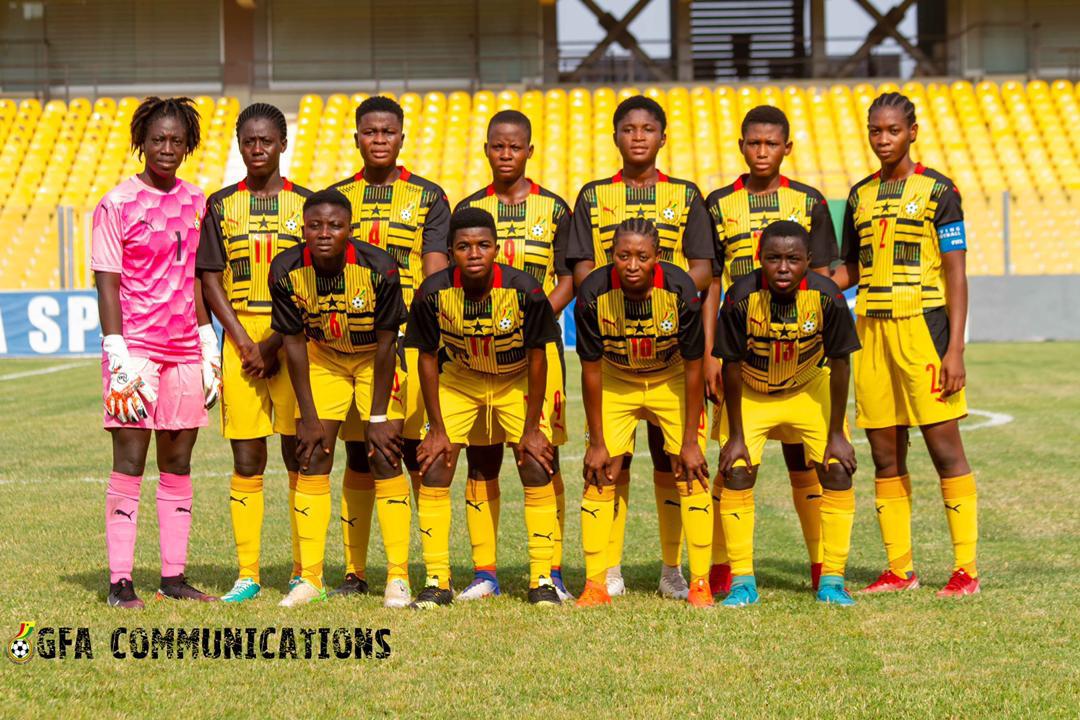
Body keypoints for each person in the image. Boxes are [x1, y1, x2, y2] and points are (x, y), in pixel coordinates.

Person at [566, 95, 715, 600]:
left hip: (668, 351)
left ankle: (674, 570)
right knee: (610, 462)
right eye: (628, 129)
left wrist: (663, 293)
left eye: (647, 129)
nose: (637, 137)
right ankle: (606, 572)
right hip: (615, 354)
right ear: (615, 137)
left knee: (678, 460)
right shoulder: (592, 196)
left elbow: (702, 268)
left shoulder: (686, 195)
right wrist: (614, 296)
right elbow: (582, 268)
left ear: (662, 137)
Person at [833, 92, 979, 597]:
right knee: (884, 453)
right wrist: (809, 282)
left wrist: (955, 349)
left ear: (912, 132)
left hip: (924, 329)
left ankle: (966, 570)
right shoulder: (859, 195)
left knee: (944, 450)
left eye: (892, 130)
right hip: (871, 331)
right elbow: (852, 268)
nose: (883, 139)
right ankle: (900, 570)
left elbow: (956, 273)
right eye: (875, 130)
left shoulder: (940, 190)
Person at [705, 105, 840, 596]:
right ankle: (723, 565)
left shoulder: (810, 201)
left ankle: (823, 566)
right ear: (742, 145)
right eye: (754, 142)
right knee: (734, 459)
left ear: (787, 147)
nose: (762, 151)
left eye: (771, 143)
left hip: (800, 354)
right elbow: (711, 283)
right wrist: (710, 353)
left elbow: (825, 277)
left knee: (805, 464)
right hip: (741, 353)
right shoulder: (718, 203)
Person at [93, 96, 219, 608]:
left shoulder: (198, 202)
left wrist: (208, 342)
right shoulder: (117, 203)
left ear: (188, 146)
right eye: (158, 139)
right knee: (129, 460)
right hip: (136, 351)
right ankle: (120, 582)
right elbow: (107, 283)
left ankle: (173, 578)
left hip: (185, 350)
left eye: (176, 140)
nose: (167, 148)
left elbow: (198, 279)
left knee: (178, 461)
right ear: (141, 143)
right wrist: (116, 351)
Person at [405, 207, 561, 608]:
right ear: (451, 252)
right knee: (435, 464)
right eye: (464, 247)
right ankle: (437, 580)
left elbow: (538, 356)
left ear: (497, 249)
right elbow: (426, 357)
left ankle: (542, 579)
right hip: (462, 377)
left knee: (535, 461)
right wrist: (437, 428)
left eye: (483, 245)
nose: (474, 253)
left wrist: (531, 429)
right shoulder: (432, 292)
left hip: (516, 378)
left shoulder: (525, 290)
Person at [328, 95, 451, 597]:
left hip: (406, 343)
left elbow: (435, 274)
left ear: (402, 137)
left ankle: (432, 572)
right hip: (349, 346)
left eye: (388, 132)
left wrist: (421, 332)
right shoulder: (336, 197)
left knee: (417, 453)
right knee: (359, 454)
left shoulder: (429, 196)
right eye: (370, 132)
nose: (379, 140)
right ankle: (355, 572)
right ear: (356, 137)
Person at [453, 110, 575, 601]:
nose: (506, 154)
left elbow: (570, 277)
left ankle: (551, 571)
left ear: (529, 151)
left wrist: (535, 319)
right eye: (498, 146)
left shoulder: (556, 208)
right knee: (481, 460)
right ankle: (485, 573)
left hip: (538, 349)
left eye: (515, 147)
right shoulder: (468, 207)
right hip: (477, 352)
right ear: (486, 149)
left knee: (540, 456)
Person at [269, 189, 407, 608]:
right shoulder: (285, 270)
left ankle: (398, 577)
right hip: (324, 357)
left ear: (351, 229)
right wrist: (309, 416)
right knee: (311, 453)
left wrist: (378, 416)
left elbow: (387, 343)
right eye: (315, 226)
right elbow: (293, 343)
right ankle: (310, 579)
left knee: (385, 454)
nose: (325, 233)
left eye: (335, 225)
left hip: (373, 358)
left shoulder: (380, 268)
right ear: (303, 229)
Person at [196, 103, 311, 603]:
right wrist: (244, 342)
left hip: (293, 339)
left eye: (266, 140)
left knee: (298, 452)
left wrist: (273, 342)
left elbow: (314, 278)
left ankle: (304, 570)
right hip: (241, 336)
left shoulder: (308, 204)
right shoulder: (220, 205)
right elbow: (210, 278)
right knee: (247, 456)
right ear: (240, 145)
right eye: (249, 141)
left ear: (283, 144)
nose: (257, 148)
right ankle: (248, 573)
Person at [714, 221, 860, 607]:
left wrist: (837, 434)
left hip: (808, 387)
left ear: (808, 260)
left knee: (837, 468)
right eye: (773, 258)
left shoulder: (827, 296)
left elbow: (841, 363)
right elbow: (731, 366)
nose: (783, 268)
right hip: (752, 389)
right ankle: (742, 582)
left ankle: (832, 579)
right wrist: (736, 436)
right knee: (737, 469)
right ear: (759, 259)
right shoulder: (740, 297)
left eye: (793, 259)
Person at [574, 218, 712, 608]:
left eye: (642, 256)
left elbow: (694, 366)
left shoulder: (681, 290)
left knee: (692, 471)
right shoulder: (592, 293)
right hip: (616, 378)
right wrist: (597, 442)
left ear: (658, 257)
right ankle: (597, 582)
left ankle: (693, 581)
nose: (632, 265)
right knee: (600, 473)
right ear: (611, 255)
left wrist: (689, 441)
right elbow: (590, 369)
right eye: (623, 256)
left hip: (671, 377)